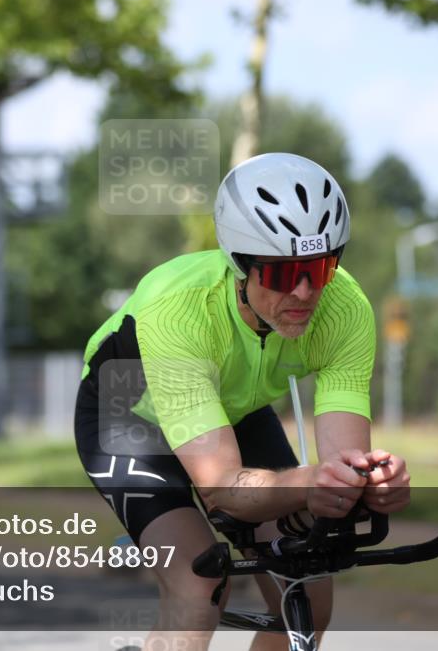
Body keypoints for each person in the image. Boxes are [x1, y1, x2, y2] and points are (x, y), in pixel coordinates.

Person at [75, 153, 411, 651]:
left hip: (231, 410)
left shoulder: (345, 309)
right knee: (200, 582)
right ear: (240, 265)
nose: (304, 292)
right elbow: (224, 488)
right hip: (128, 418)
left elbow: (341, 462)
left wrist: (365, 483)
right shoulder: (179, 313)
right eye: (281, 274)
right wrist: (309, 482)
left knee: (310, 590)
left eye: (319, 268)